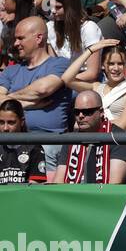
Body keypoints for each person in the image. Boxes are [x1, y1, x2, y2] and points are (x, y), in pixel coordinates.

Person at [0, 16, 73, 166]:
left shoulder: (60, 64)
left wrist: (10, 99)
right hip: (12, 144)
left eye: (20, 38)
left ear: (39, 38)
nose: (16, 44)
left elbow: (42, 89)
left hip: (49, 143)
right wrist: (28, 105)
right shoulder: (10, 71)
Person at [52, 90, 126, 184]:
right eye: (76, 112)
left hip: (102, 195)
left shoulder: (117, 137)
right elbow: (58, 182)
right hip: (71, 195)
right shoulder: (71, 139)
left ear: (101, 112)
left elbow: (114, 184)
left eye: (87, 112)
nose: (80, 116)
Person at [62, 42, 126, 130]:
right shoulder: (96, 87)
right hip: (92, 139)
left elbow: (122, 125)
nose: (116, 68)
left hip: (115, 141)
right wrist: (90, 50)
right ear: (103, 65)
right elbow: (66, 79)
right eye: (111, 64)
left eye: (120, 64)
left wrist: (89, 124)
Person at [0, 100, 45, 184]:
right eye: (1, 122)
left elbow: (35, 187)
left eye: (11, 122)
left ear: (22, 121)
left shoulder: (34, 147)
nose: (5, 128)